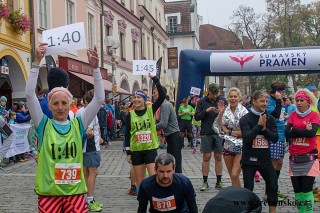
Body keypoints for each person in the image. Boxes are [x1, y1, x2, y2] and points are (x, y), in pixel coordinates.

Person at [26, 43, 104, 213]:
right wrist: (36, 63)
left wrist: (96, 70)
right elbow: (30, 95)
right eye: (56, 103)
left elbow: (98, 99)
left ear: (70, 104)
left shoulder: (78, 124)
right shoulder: (43, 124)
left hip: (74, 192)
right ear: (50, 106)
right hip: (49, 193)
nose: (60, 107)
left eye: (64, 103)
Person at [124, 74, 165, 193]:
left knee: (153, 177)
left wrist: (155, 79)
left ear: (144, 100)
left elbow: (162, 96)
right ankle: (142, 202)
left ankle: (154, 200)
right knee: (139, 180)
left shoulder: (150, 109)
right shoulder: (130, 114)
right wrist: (128, 152)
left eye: (139, 97)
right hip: (136, 150)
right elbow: (127, 134)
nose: (136, 99)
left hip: (150, 149)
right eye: (134, 97)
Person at [239, 90, 279, 213]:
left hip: (265, 160)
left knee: (273, 186)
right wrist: (258, 126)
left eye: (266, 101)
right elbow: (247, 138)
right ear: (254, 101)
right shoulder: (245, 119)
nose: (265, 104)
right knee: (248, 190)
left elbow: (275, 138)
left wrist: (264, 129)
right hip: (249, 160)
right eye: (262, 101)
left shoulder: (270, 118)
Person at [285, 89, 320, 212]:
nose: (299, 103)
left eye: (302, 100)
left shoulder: (315, 115)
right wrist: (303, 131)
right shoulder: (293, 114)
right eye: (297, 100)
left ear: (308, 102)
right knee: (297, 191)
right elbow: (286, 133)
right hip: (294, 159)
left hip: (309, 158)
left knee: (307, 190)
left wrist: (294, 130)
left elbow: (311, 133)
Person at [194, 83, 227, 191]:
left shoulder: (222, 100)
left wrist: (221, 112)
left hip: (218, 132)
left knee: (218, 156)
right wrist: (206, 111)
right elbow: (197, 117)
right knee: (206, 157)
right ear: (208, 91)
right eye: (212, 94)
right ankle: (205, 182)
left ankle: (219, 181)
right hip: (206, 132)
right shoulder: (202, 101)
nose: (214, 96)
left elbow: (228, 116)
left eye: (216, 94)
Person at [76, 90, 103, 212]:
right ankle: (90, 200)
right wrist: (94, 136)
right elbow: (89, 132)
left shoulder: (79, 111)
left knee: (86, 173)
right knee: (93, 173)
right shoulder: (90, 112)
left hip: (83, 147)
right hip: (91, 147)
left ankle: (85, 198)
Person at [215, 87, 248, 186]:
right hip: (228, 146)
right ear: (228, 98)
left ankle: (242, 197)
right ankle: (237, 197)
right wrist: (220, 113)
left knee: (234, 174)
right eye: (231, 96)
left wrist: (228, 131)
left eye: (235, 96)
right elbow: (218, 127)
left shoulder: (244, 111)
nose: (233, 98)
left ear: (239, 98)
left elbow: (245, 132)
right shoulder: (225, 110)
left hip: (241, 146)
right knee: (232, 176)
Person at [265, 81, 288, 201]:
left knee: (279, 163)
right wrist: (279, 101)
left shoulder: (280, 101)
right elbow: (274, 114)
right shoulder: (269, 101)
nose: (284, 94)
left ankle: (274, 188)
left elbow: (281, 115)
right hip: (274, 136)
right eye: (282, 91)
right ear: (277, 92)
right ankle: (269, 191)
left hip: (281, 135)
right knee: (272, 164)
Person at [154, 86, 183, 173]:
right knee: (172, 161)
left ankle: (179, 180)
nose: (153, 95)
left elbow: (163, 124)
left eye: (155, 93)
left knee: (176, 162)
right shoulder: (163, 105)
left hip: (174, 136)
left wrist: (150, 127)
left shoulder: (165, 105)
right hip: (170, 136)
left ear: (160, 94)